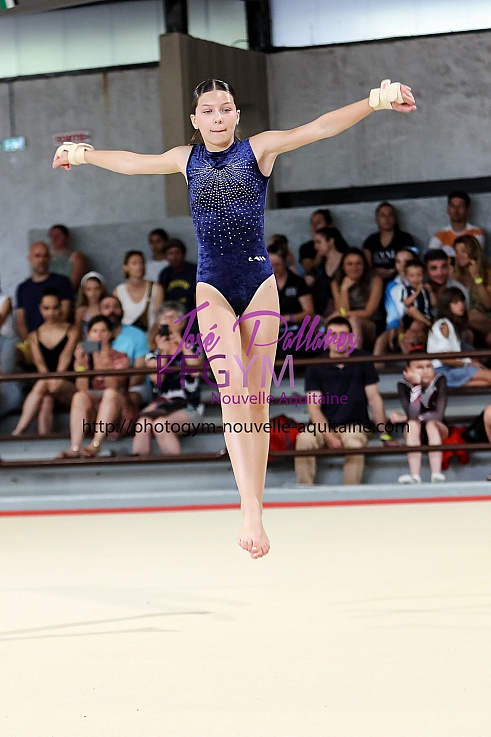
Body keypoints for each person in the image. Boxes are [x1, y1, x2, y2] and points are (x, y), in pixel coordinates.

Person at [53, 76, 416, 558]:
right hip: (212, 286)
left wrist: (376, 100)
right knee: (234, 391)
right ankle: (248, 505)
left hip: (258, 284)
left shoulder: (258, 150)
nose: (218, 117)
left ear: (236, 114)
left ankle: (255, 506)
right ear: (195, 119)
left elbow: (319, 128)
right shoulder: (185, 159)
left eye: (226, 108)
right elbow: (133, 163)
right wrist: (83, 154)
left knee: (257, 400)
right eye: (208, 110)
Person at [295, 316, 394, 486]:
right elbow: (313, 408)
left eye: (343, 334)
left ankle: (350, 493)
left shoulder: (363, 360)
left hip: (354, 425)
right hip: (323, 426)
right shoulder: (315, 366)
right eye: (333, 334)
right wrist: (329, 437)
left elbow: (374, 399)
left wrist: (384, 434)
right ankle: (304, 491)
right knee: (304, 439)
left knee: (354, 443)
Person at [132, 302, 204, 457]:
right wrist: (163, 352)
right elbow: (157, 379)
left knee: (160, 424)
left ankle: (177, 467)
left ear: (182, 323)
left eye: (174, 317)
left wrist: (181, 343)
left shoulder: (193, 347)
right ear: (159, 323)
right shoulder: (153, 354)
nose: (169, 321)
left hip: (189, 406)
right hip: (162, 405)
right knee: (142, 424)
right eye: (165, 318)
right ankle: (138, 467)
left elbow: (195, 372)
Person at [57, 315, 131, 458]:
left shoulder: (120, 357)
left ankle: (96, 444)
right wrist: (80, 365)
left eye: (103, 331)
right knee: (79, 396)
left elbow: (114, 386)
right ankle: (75, 447)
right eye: (95, 331)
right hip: (93, 410)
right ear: (88, 334)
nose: (99, 335)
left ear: (110, 334)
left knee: (110, 393)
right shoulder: (85, 357)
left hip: (116, 410)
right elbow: (81, 388)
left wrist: (106, 364)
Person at [12, 288, 78, 436]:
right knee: (46, 401)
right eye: (46, 308)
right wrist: (50, 382)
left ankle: (18, 431)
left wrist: (55, 380)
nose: (51, 313)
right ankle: (43, 440)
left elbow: (65, 358)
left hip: (68, 385)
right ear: (40, 308)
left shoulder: (73, 331)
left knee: (45, 384)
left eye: (55, 308)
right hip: (46, 385)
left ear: (61, 307)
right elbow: (40, 364)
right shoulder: (33, 335)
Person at [390, 350, 448, 484]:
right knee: (411, 425)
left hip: (438, 427)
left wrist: (404, 418)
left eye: (429, 366)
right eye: (420, 367)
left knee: (431, 424)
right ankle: (415, 476)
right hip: (416, 431)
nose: (426, 371)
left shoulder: (440, 380)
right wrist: (416, 386)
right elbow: (412, 415)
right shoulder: (403, 385)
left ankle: (436, 474)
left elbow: (438, 414)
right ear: (408, 371)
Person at [15, 241, 74, 366]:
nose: (41, 260)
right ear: (29, 258)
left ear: (50, 258)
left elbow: (65, 312)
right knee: (13, 356)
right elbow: (20, 321)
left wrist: (48, 337)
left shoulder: (62, 281)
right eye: (37, 256)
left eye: (45, 255)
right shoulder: (23, 288)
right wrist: (32, 342)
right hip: (31, 341)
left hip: (60, 338)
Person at [427, 287, 491, 388]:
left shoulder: (451, 324)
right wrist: (468, 363)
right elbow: (443, 358)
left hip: (452, 369)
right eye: (455, 302)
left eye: (462, 301)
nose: (461, 305)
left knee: (485, 383)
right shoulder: (444, 325)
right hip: (443, 370)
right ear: (447, 305)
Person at [99, 295, 152, 412]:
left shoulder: (137, 334)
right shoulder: (94, 335)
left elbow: (140, 372)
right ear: (99, 312)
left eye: (116, 307)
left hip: (134, 387)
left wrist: (122, 391)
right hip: (101, 387)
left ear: (122, 311)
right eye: (106, 307)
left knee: (129, 399)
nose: (111, 311)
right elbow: (85, 365)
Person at [331, 247, 383, 350]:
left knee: (354, 320)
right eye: (349, 264)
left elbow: (368, 312)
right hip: (346, 322)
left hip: (371, 324)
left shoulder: (375, 280)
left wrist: (345, 314)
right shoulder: (336, 283)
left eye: (358, 263)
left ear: (364, 265)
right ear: (343, 267)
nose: (354, 267)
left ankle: (355, 354)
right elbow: (341, 310)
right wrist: (344, 289)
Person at [267, 242, 314, 357]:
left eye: (277, 264)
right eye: (270, 265)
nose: (274, 269)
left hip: (295, 330)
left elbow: (309, 312)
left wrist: (287, 318)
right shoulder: (262, 284)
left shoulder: (297, 282)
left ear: (285, 262)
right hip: (269, 332)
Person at [373, 248, 414, 357]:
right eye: (398, 262)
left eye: (406, 262)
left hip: (414, 325)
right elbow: (392, 312)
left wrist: (403, 327)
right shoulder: (391, 285)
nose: (402, 266)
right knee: (380, 342)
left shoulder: (419, 283)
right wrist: (392, 327)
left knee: (404, 341)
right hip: (397, 325)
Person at [453, 235, 491, 347]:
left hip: (486, 319)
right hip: (464, 322)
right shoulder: (454, 275)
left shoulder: (488, 274)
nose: (459, 256)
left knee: (469, 316)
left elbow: (488, 304)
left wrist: (477, 278)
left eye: (463, 252)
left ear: (474, 252)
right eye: (456, 252)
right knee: (467, 334)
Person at [363, 201, 416, 281]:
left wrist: (391, 272)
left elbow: (412, 264)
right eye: (383, 215)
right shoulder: (370, 241)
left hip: (401, 280)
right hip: (375, 281)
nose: (386, 219)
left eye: (390, 215)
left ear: (395, 218)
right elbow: (366, 267)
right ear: (377, 219)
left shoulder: (405, 238)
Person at [114, 250, 163, 333]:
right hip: (126, 336)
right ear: (126, 267)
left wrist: (151, 338)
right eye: (134, 263)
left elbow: (159, 318)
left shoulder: (156, 289)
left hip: (149, 336)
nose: (139, 266)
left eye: (141, 263)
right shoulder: (118, 291)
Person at [428, 191, 485, 257]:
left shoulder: (477, 232)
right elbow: (431, 256)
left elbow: (475, 256)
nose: (456, 210)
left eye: (460, 206)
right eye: (453, 206)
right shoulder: (440, 234)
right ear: (448, 209)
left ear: (467, 210)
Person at [306, 226, 347, 317]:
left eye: (318, 242)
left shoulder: (348, 263)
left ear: (331, 241)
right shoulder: (319, 268)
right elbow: (303, 286)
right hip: (321, 315)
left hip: (344, 310)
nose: (315, 246)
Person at [158, 239, 197, 315]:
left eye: (177, 253)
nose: (174, 257)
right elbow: (161, 300)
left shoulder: (194, 271)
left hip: (192, 315)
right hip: (172, 316)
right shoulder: (165, 273)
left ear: (184, 254)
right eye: (170, 253)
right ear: (166, 256)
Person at [48, 224, 89, 291]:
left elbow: (74, 284)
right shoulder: (47, 258)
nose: (55, 238)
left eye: (58, 235)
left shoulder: (76, 257)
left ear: (66, 237)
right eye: (52, 236)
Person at [298, 209, 334, 275]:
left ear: (329, 226)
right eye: (312, 224)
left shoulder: (339, 244)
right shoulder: (306, 247)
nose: (314, 227)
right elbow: (308, 269)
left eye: (318, 223)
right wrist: (321, 250)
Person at [75, 271, 107, 337]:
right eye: (88, 289)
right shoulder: (81, 311)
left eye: (96, 289)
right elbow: (78, 332)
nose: (93, 293)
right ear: (84, 291)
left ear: (102, 290)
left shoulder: (107, 309)